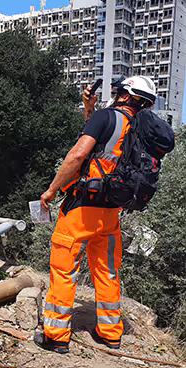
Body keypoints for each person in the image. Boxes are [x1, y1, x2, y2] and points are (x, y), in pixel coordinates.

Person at [35, 76, 157, 354]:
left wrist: (52, 190)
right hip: (111, 212)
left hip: (81, 209)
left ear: (125, 95)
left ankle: (55, 336)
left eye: (118, 91)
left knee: (64, 269)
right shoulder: (139, 129)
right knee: (107, 272)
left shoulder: (106, 117)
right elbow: (106, 152)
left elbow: (79, 156)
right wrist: (89, 109)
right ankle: (111, 333)